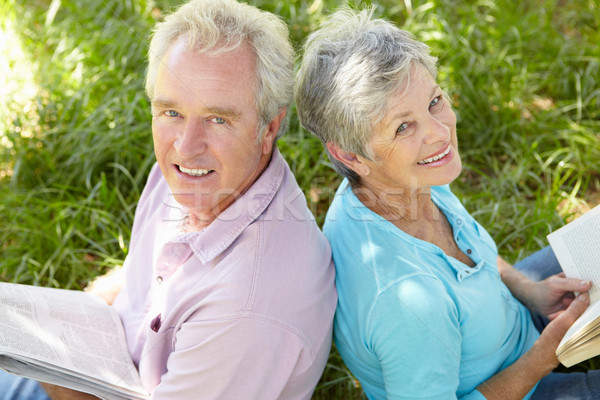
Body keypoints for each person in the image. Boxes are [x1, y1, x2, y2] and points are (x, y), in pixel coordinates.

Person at [0, 0, 336, 398]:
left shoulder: (249, 307)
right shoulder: (200, 178)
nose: (186, 146)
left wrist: (53, 367)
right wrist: (71, 318)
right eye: (171, 112)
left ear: (270, 127)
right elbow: (144, 277)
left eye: (218, 119)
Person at [294, 7, 600, 400]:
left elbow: (470, 258)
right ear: (350, 155)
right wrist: (543, 358)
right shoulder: (408, 302)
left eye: (435, 101)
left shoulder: (401, 179)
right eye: (403, 126)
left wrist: (528, 290)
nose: (440, 133)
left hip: (509, 320)